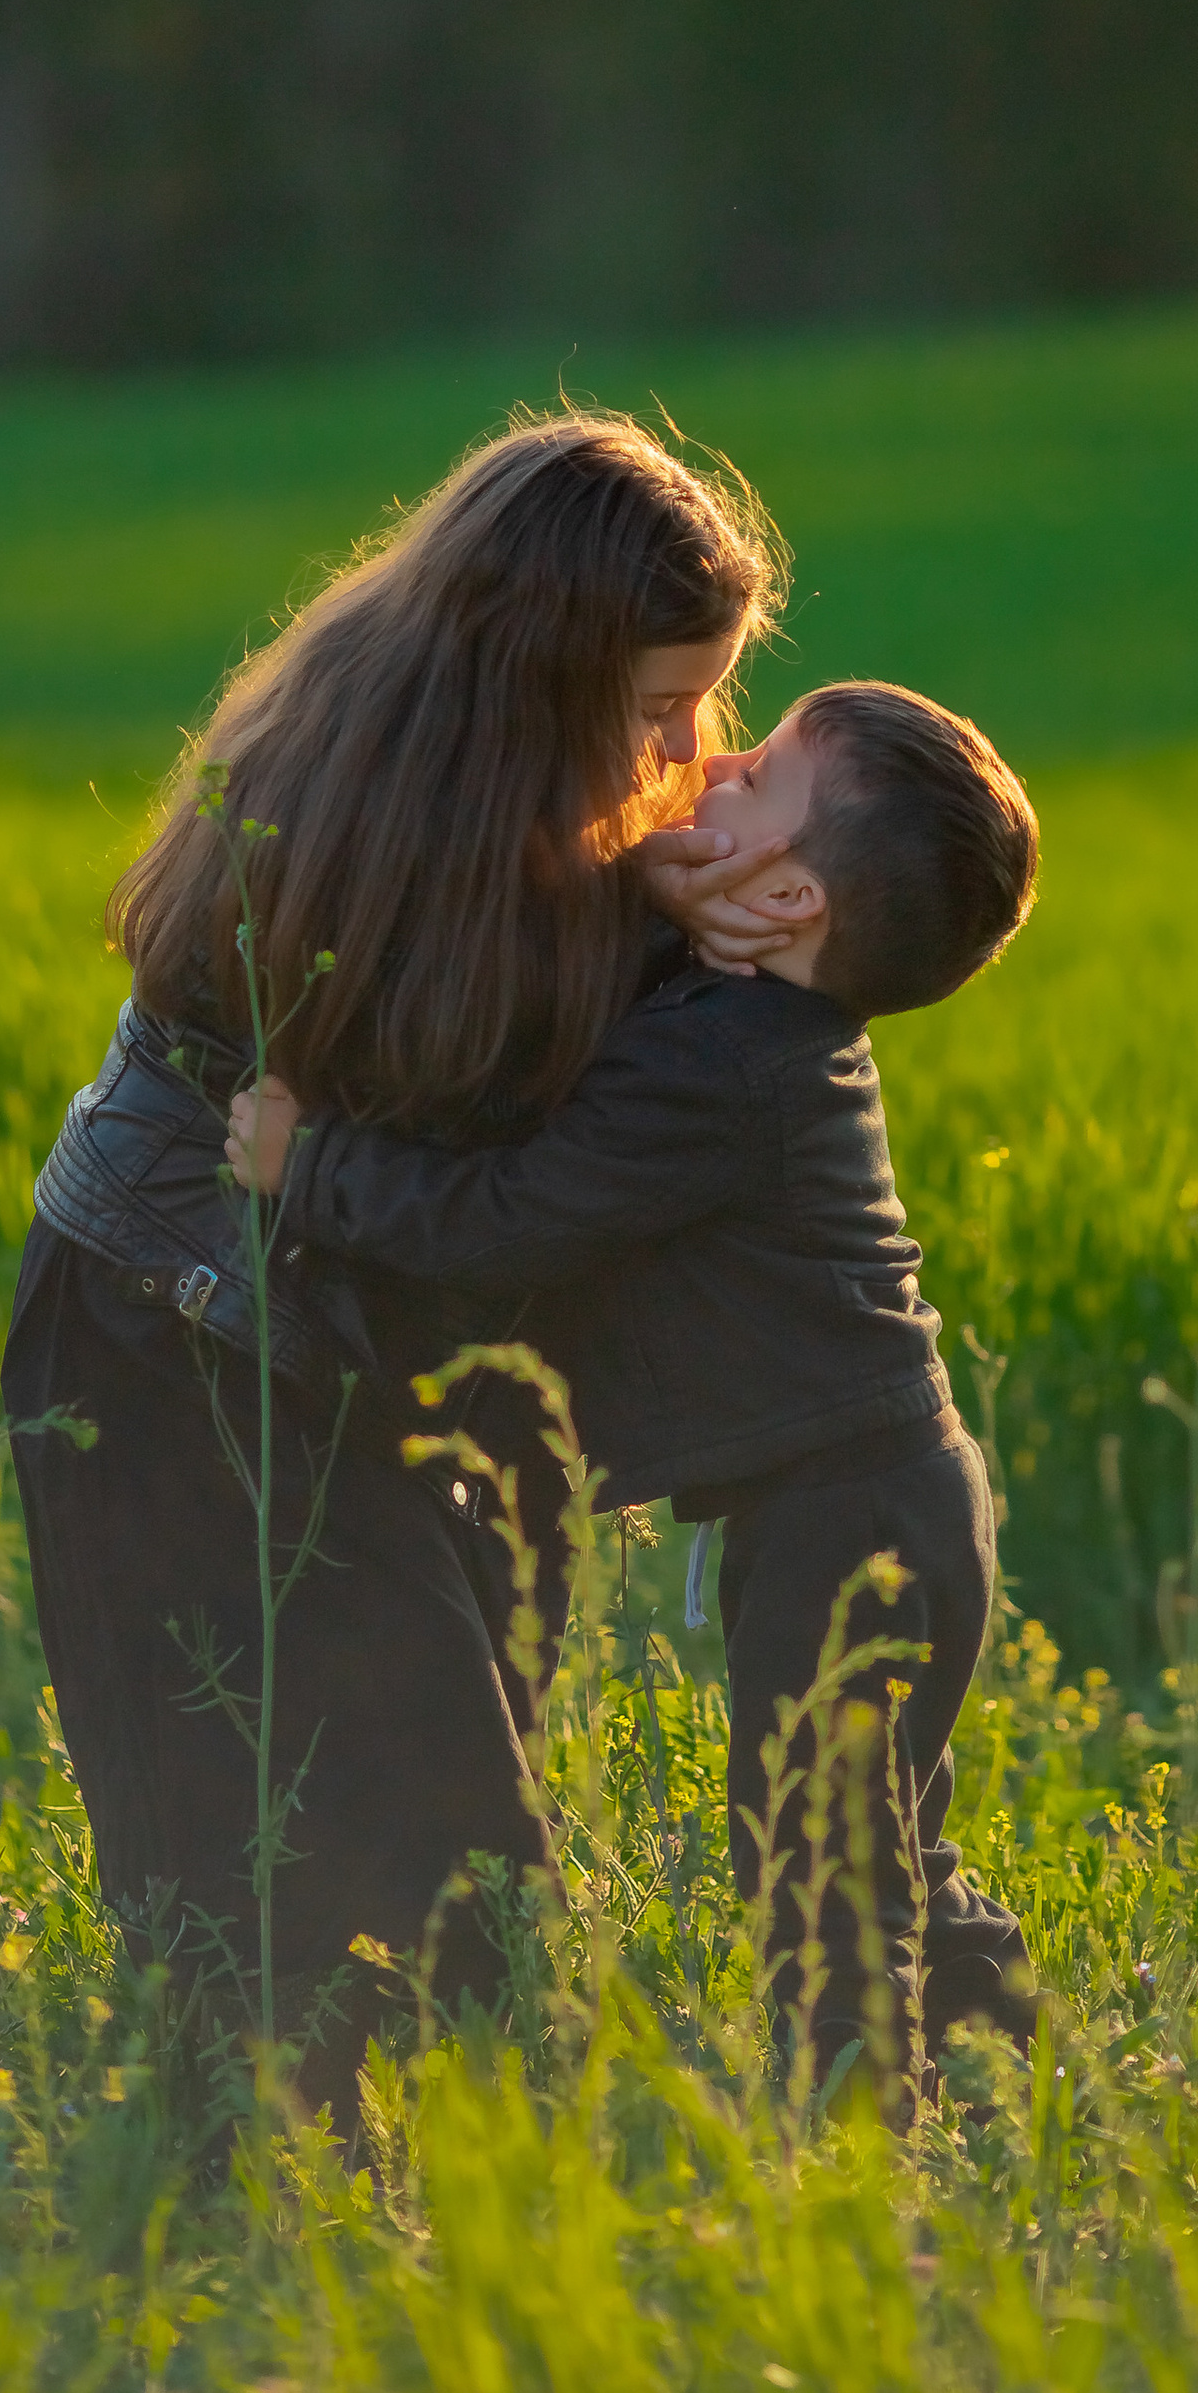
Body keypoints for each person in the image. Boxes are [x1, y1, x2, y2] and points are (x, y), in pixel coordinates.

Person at [2, 411, 787, 2107]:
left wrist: (692, 910)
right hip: (170, 1341)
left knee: (453, 1895)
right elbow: (477, 1127)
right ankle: (235, 2216)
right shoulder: (373, 821)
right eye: (656, 710)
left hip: (325, 1343)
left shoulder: (529, 795)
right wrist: (677, 940)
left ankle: (410, 2205)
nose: (687, 752)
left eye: (704, 704)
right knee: (264, 1912)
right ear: (536, 689)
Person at [229, 677, 1041, 2099]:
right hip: (888, 1488)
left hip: (849, 1519)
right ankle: (1009, 2062)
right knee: (885, 1831)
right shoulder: (744, 1019)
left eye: (756, 777)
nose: (711, 768)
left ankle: (862, 2141)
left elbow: (514, 1218)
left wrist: (315, 1167)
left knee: (822, 1858)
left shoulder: (724, 1063)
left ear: (784, 902)